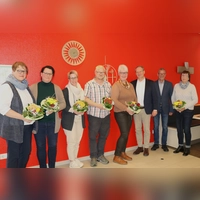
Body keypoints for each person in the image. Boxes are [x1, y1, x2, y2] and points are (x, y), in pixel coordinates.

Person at [30, 65, 66, 168]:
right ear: (41, 74)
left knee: (52, 146)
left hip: (52, 123)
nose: (47, 75)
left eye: (50, 74)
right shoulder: (33, 87)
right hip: (38, 124)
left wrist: (54, 109)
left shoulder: (56, 88)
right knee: (40, 147)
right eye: (45, 73)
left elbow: (63, 104)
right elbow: (28, 104)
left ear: (52, 76)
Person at [0, 61, 34, 168]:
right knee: (14, 156)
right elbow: (3, 109)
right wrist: (23, 117)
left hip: (27, 127)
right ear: (13, 71)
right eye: (18, 70)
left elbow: (29, 105)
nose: (21, 73)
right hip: (14, 127)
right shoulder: (7, 86)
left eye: (23, 71)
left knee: (25, 153)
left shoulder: (25, 86)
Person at [84, 65, 111, 167]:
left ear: (104, 73)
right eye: (98, 72)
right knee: (92, 137)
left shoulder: (108, 84)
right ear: (95, 72)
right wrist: (98, 105)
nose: (100, 74)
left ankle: (101, 155)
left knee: (103, 136)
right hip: (94, 115)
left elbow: (110, 98)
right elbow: (85, 99)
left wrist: (109, 104)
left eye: (102, 72)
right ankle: (93, 157)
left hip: (106, 115)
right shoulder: (89, 84)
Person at [111, 64, 137, 165]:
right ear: (118, 73)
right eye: (122, 72)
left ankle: (122, 152)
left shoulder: (130, 85)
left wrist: (134, 108)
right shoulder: (116, 85)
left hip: (130, 112)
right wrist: (126, 109)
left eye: (125, 72)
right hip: (120, 112)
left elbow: (135, 98)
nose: (124, 74)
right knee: (124, 133)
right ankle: (116, 156)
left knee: (126, 134)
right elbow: (114, 100)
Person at [131, 66, 158, 156]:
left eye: (140, 71)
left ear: (144, 72)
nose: (139, 73)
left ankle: (146, 147)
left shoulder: (151, 83)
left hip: (147, 110)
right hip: (136, 110)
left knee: (146, 129)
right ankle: (140, 147)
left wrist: (155, 109)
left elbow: (155, 97)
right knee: (137, 129)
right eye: (137, 72)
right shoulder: (132, 84)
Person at [61, 70, 85, 168]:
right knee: (71, 141)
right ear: (69, 79)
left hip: (80, 118)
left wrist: (83, 109)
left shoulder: (81, 90)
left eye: (75, 77)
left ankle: (75, 158)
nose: (74, 80)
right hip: (69, 120)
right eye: (72, 78)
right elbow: (63, 105)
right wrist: (73, 110)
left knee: (77, 140)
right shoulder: (65, 91)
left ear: (77, 78)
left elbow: (84, 104)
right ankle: (71, 161)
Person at [171, 70, 198, 156]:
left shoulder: (192, 87)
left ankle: (188, 147)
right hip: (178, 111)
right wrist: (176, 107)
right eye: (182, 75)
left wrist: (184, 107)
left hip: (188, 111)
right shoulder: (176, 86)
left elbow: (195, 100)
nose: (183, 77)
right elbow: (173, 98)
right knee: (179, 129)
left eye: (186, 76)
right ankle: (180, 145)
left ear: (189, 77)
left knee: (186, 129)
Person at [151, 68, 173, 152]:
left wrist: (171, 109)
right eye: (160, 73)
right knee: (155, 126)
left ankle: (164, 144)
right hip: (156, 109)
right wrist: (153, 109)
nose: (161, 75)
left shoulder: (169, 84)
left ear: (165, 74)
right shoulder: (153, 84)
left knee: (165, 127)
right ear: (157, 74)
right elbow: (152, 97)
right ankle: (156, 143)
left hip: (166, 109)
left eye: (163, 73)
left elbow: (172, 98)